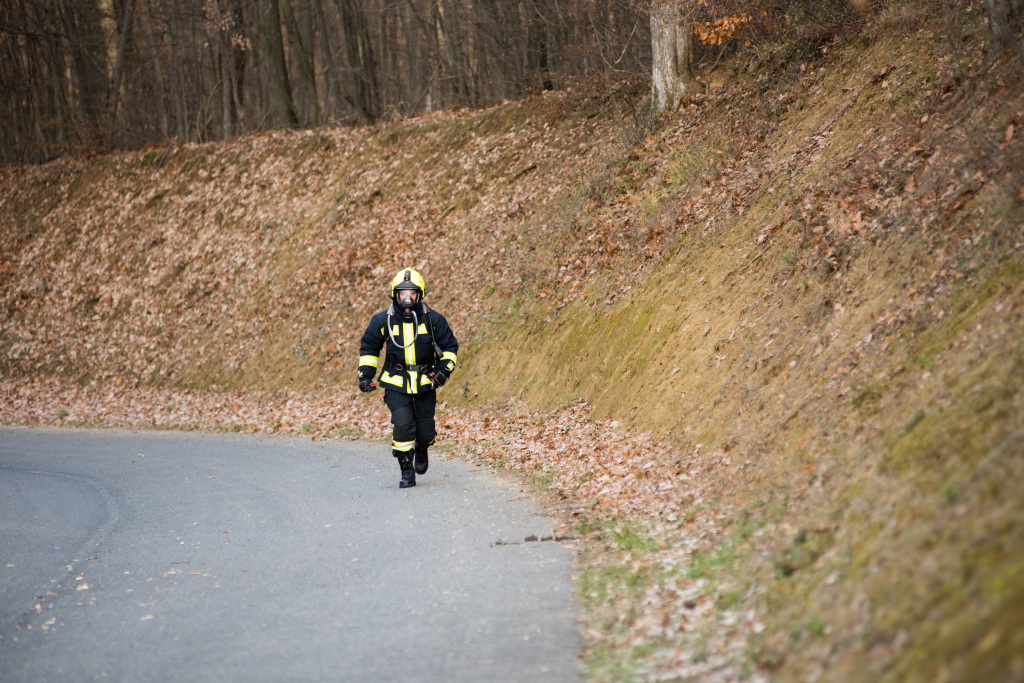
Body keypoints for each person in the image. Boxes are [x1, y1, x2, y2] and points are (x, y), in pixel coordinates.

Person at [357, 268, 459, 488]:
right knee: (403, 425)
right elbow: (369, 348)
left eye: (412, 293)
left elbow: (450, 347)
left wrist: (443, 371)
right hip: (396, 381)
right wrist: (365, 376)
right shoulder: (383, 320)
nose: (407, 298)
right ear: (395, 294)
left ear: (420, 294)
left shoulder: (433, 319)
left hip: (425, 382)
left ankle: (422, 447)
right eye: (402, 293)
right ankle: (406, 470)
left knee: (425, 430)